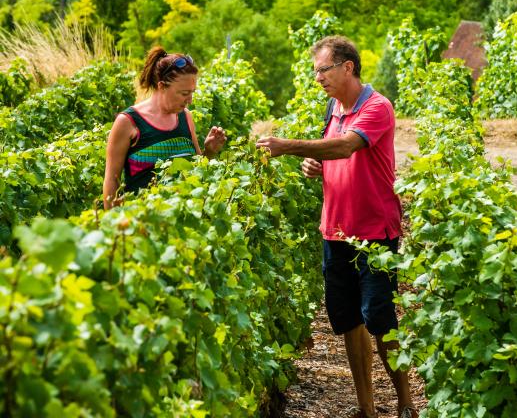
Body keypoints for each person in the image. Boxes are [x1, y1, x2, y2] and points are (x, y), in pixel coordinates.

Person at [256, 36, 417, 418]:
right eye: (315, 72)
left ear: (348, 67)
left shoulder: (377, 107)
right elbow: (334, 156)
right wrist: (315, 166)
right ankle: (367, 408)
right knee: (348, 321)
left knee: (380, 319)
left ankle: (406, 403)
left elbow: (346, 147)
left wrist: (288, 146)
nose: (318, 79)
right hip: (335, 230)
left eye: (323, 70)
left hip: (373, 232)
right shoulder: (334, 107)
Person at [103, 47, 226, 209]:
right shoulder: (128, 123)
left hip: (184, 221)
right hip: (143, 223)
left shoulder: (185, 117)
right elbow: (112, 181)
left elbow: (197, 171)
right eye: (183, 93)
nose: (190, 100)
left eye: (192, 92)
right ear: (162, 86)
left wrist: (209, 152)